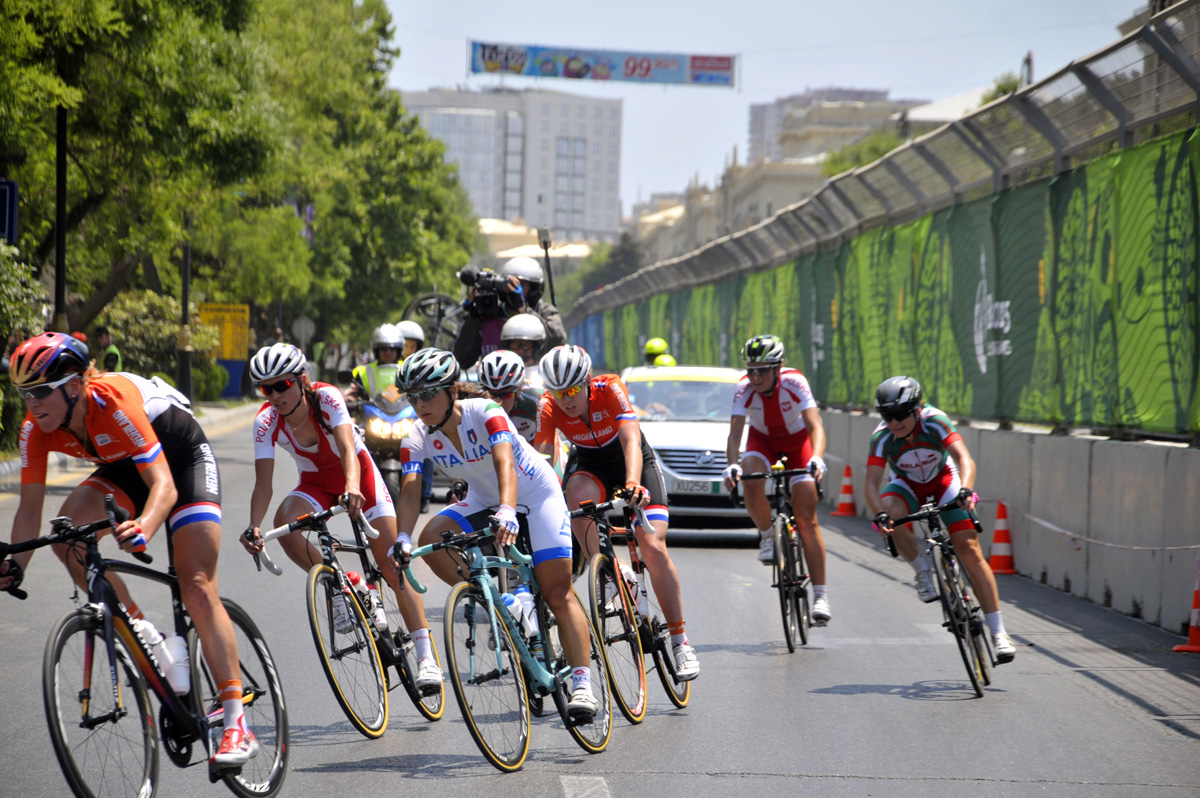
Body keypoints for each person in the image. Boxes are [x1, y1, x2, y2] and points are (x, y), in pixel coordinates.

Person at [0, 332, 258, 766]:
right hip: (124, 464)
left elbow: (165, 486)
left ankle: (236, 724)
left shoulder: (112, 402)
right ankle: (143, 631)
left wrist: (144, 526)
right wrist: (15, 563)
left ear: (75, 385)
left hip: (179, 457)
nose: (34, 404)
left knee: (195, 584)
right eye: (26, 394)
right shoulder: (35, 430)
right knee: (68, 538)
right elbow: (29, 511)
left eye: (42, 392)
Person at [394, 348, 600, 718]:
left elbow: (505, 460)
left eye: (427, 394)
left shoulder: (485, 412)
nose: (419, 405)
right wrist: (402, 538)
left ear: (451, 391)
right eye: (412, 397)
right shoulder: (416, 435)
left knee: (557, 591)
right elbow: (410, 490)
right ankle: (498, 603)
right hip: (483, 499)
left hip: (535, 494)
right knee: (431, 537)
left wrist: (508, 507)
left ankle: (583, 683)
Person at [239, 343, 442, 687]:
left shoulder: (327, 397)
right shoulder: (266, 421)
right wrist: (253, 527)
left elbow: (349, 449)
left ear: (301, 380)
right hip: (316, 483)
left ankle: (426, 658)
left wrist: (352, 487)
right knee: (283, 525)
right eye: (266, 388)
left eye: (282, 385)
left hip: (358, 474)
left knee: (393, 565)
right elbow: (263, 485)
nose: (274, 395)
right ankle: (344, 584)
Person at [535, 344, 699, 681]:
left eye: (573, 390)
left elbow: (630, 441)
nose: (566, 399)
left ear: (587, 381)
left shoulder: (610, 388)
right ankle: (610, 570)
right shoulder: (548, 406)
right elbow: (543, 458)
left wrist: (633, 483)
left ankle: (681, 642)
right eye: (557, 391)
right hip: (592, 466)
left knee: (652, 546)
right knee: (574, 497)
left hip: (633, 461)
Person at [863, 375, 1016, 662]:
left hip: (943, 481)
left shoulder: (935, 420)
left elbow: (965, 459)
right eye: (887, 416)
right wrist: (880, 514)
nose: (894, 423)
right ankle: (922, 571)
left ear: (917, 410)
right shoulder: (881, 436)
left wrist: (967, 488)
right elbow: (871, 483)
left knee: (969, 549)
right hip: (906, 485)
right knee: (891, 515)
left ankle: (999, 633)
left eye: (900, 415)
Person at [722, 335, 831, 625]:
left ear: (778, 368)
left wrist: (817, 457)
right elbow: (735, 435)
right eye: (751, 370)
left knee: (807, 518)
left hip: (798, 444)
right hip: (763, 442)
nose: (755, 377)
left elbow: (815, 426)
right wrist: (731, 465)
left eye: (763, 370)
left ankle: (820, 594)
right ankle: (768, 534)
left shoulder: (795, 382)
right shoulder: (744, 388)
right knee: (749, 473)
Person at [453, 257, 565, 369]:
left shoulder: (544, 311)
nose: (513, 288)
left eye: (522, 284)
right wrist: (473, 319)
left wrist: (523, 310)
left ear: (534, 289)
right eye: (509, 283)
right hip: (495, 383)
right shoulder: (488, 314)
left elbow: (557, 343)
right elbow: (462, 360)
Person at [479, 349, 539, 443]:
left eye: (506, 395)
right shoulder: (475, 404)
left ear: (519, 390)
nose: (499, 402)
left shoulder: (536, 400)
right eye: (492, 395)